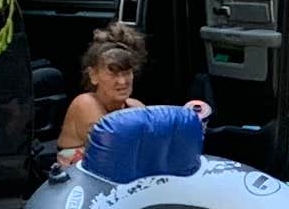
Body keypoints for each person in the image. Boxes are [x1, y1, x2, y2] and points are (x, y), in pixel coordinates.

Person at [54, 22, 209, 169]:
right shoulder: (85, 103)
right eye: (113, 73)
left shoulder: (135, 105)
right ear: (93, 75)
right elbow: (114, 148)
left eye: (126, 72)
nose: (122, 81)